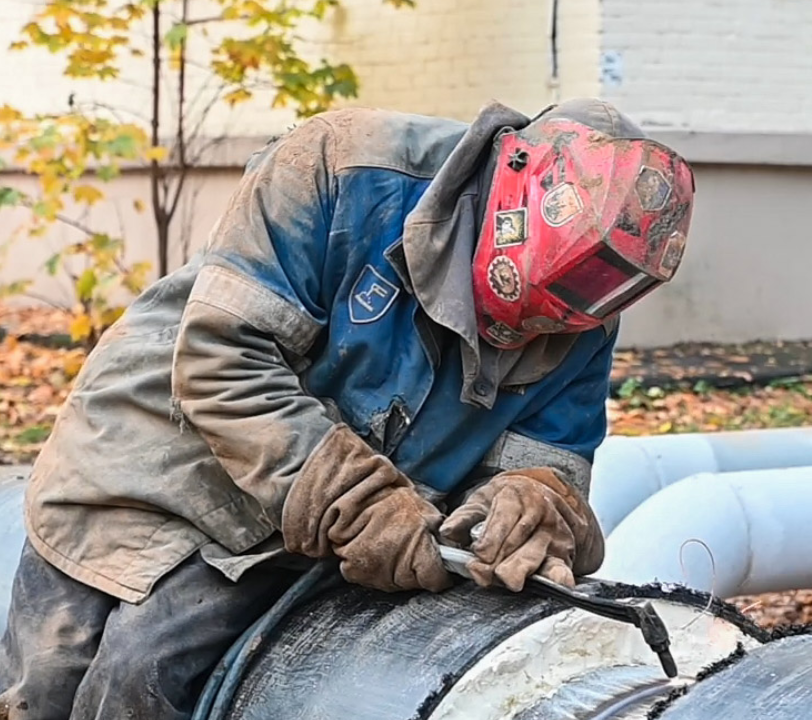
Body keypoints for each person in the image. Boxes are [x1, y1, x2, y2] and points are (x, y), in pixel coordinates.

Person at [0, 97, 695, 719]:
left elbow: (551, 462)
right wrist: (360, 503)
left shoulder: (585, 308)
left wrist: (528, 503)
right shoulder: (344, 168)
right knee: (48, 685)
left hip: (292, 531)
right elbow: (225, 360)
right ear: (512, 186)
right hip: (153, 456)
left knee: (141, 680)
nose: (554, 326)